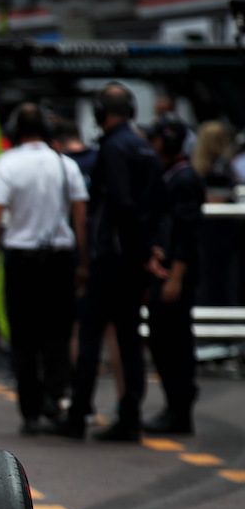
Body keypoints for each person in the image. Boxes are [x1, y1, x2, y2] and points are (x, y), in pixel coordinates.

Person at [49, 84, 165, 442]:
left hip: (112, 258)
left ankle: (79, 413)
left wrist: (126, 251)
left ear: (103, 112)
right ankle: (129, 415)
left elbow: (119, 203)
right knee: (129, 339)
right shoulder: (144, 146)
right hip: (133, 259)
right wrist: (147, 251)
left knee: (89, 336)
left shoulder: (113, 148)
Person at [0, 104, 89, 435]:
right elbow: (80, 216)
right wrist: (83, 261)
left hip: (22, 261)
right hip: (58, 258)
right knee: (57, 333)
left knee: (24, 337)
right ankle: (54, 400)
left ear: (15, 132)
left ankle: (29, 411)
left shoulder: (7, 163)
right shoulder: (65, 164)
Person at [144, 116, 204, 435]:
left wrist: (176, 276)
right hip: (166, 270)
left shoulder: (184, 180)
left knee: (174, 343)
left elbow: (187, 233)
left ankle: (179, 412)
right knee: (162, 342)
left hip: (175, 277)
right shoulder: (172, 176)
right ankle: (174, 408)